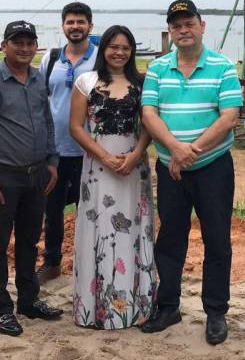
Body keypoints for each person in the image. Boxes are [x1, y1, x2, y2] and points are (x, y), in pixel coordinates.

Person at [140, 0, 242, 345]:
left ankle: (215, 312)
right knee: (170, 238)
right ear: (170, 31)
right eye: (176, 25)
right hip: (171, 170)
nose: (183, 30)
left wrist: (189, 151)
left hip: (213, 168)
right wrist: (175, 149)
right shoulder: (157, 68)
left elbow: (228, 116)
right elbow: (149, 113)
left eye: (188, 23)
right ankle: (168, 306)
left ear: (202, 25)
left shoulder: (223, 66)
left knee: (217, 240)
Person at [0, 20, 63, 337]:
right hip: (1, 179)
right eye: (17, 42)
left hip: (36, 176)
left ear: (36, 46)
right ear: (5, 45)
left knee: (30, 241)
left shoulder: (37, 78)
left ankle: (28, 300)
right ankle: (2, 308)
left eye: (29, 42)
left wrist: (52, 161)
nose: (24, 48)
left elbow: (47, 122)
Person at [69, 25, 157, 329]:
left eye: (126, 47)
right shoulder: (86, 81)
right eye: (113, 46)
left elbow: (149, 125)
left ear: (132, 52)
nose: (119, 52)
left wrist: (135, 156)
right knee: (99, 228)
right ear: (103, 48)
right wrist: (104, 156)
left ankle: (136, 306)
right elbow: (76, 127)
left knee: (133, 230)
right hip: (97, 167)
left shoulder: (143, 83)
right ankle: (95, 309)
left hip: (134, 168)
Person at [36, 2, 98, 284]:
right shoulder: (50, 59)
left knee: (93, 208)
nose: (76, 27)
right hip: (56, 150)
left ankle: (93, 262)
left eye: (81, 22)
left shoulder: (100, 59)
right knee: (53, 210)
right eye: (70, 22)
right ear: (63, 26)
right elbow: (39, 99)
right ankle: (52, 261)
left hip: (90, 150)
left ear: (90, 26)